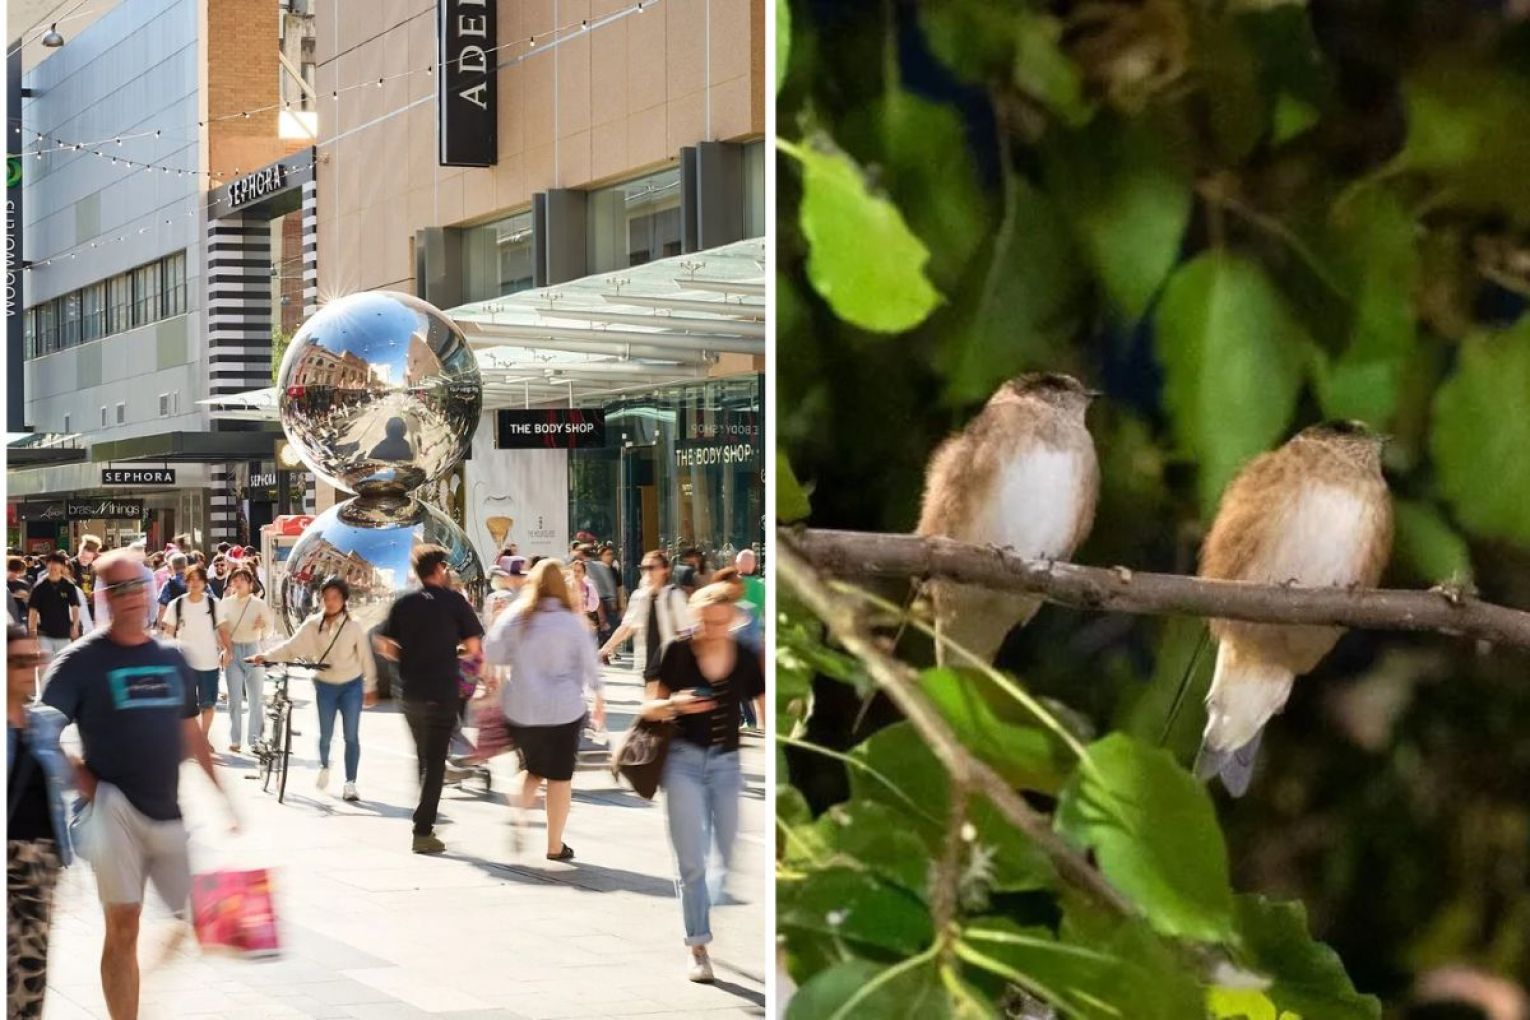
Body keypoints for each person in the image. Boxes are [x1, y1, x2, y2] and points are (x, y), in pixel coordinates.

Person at [41, 549, 235, 1020]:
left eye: (137, 586)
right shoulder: (77, 662)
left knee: (199, 919)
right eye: (119, 589)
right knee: (123, 924)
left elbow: (192, 734)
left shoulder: (173, 657)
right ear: (102, 597)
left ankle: (139, 986)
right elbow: (40, 732)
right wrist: (89, 786)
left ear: (151, 589)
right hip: (113, 810)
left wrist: (225, 799)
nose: (131, 598)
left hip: (167, 810)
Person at [641, 583, 766, 982]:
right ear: (693, 617)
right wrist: (675, 704)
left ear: (731, 620)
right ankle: (698, 945)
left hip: (726, 763)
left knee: (726, 853)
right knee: (691, 860)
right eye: (704, 621)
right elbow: (649, 707)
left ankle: (704, 901)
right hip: (682, 761)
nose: (711, 629)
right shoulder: (676, 652)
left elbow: (761, 702)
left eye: (719, 622)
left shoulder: (743, 654)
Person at [483, 560, 605, 861]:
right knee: (560, 778)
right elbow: (591, 666)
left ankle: (519, 816)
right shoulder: (570, 621)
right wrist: (600, 699)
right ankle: (554, 845)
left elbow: (493, 652)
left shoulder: (516, 615)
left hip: (521, 709)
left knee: (533, 770)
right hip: (563, 710)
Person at [374, 546, 484, 854]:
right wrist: (451, 651)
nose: (447, 572)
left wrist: (407, 655)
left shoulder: (405, 603)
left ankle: (425, 809)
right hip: (442, 690)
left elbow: (382, 642)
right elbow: (474, 647)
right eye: (445, 568)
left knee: (423, 755)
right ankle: (423, 829)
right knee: (436, 761)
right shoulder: (454, 602)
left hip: (409, 692)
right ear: (437, 570)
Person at [255, 577, 378, 802]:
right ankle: (324, 765)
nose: (330, 602)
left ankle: (350, 783)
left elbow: (365, 658)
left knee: (351, 736)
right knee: (325, 735)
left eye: (335, 598)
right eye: (326, 598)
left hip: (351, 685)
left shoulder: (354, 626)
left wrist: (370, 686)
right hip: (325, 686)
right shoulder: (313, 624)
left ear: (344, 600)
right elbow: (292, 646)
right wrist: (266, 656)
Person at [7, 626, 75, 1019]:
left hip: (39, 866)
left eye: (33, 661)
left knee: (31, 968)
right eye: (17, 662)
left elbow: (72, 777)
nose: (27, 670)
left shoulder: (43, 724)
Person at [598, 551, 693, 682]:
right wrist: (604, 650)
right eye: (643, 568)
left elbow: (686, 633)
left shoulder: (675, 596)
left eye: (652, 568)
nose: (647, 572)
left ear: (665, 569)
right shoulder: (639, 596)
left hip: (671, 668)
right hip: (647, 669)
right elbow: (627, 627)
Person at [158, 566, 231, 737]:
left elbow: (223, 629)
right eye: (191, 579)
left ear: (205, 582)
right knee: (184, 707)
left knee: (208, 704)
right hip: (184, 664)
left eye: (199, 579)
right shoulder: (176, 605)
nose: (195, 583)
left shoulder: (214, 604)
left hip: (209, 662)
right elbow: (168, 632)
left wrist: (228, 650)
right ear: (186, 582)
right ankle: (188, 740)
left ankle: (203, 738)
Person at [218, 567, 276, 754]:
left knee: (255, 698)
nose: (238, 583)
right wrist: (224, 650)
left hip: (253, 649)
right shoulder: (225, 603)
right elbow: (220, 629)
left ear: (251, 584)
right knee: (234, 698)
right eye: (235, 580)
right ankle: (235, 739)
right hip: (233, 650)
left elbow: (268, 630)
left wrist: (262, 626)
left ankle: (254, 739)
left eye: (242, 579)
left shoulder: (259, 604)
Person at [28, 552, 81, 662]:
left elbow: (75, 607)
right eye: (50, 563)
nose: (53, 566)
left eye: (56, 563)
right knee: (45, 666)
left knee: (62, 666)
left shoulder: (69, 586)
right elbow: (33, 610)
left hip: (64, 633)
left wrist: (75, 626)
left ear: (62, 566)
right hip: (44, 634)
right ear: (46, 565)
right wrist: (32, 631)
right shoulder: (39, 587)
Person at [567, 559, 603, 633]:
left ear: (584, 574)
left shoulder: (589, 587)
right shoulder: (566, 587)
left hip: (585, 624)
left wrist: (584, 603)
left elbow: (595, 605)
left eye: (579, 571)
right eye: (574, 570)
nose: (576, 573)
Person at [154, 553, 190, 626]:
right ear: (186, 565)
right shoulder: (197, 581)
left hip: (175, 624)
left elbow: (162, 608)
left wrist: (159, 626)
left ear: (172, 567)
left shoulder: (168, 584)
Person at [71, 534, 103, 604]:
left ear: (93, 556)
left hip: (88, 604)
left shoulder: (93, 567)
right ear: (79, 552)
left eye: (88, 558)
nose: (84, 560)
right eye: (82, 556)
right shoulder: (71, 565)